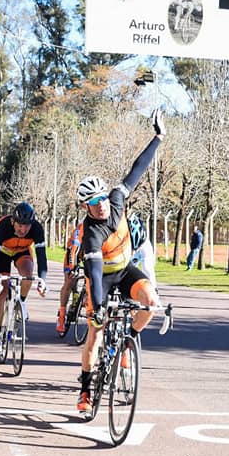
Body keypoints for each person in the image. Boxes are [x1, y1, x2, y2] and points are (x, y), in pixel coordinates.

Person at [76, 110, 164, 412]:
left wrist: (158, 138)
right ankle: (85, 391)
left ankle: (129, 342)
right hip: (102, 278)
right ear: (85, 207)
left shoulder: (116, 199)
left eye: (101, 200)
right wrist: (98, 308)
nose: (100, 207)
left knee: (150, 303)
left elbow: (137, 170)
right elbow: (95, 271)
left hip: (126, 270)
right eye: (92, 204)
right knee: (95, 332)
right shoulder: (91, 234)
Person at [0, 202, 47, 356]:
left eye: (27, 226)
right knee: (2, 291)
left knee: (28, 275)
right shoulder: (3, 228)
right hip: (3, 255)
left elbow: (41, 256)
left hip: (22, 252)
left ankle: (22, 302)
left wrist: (43, 280)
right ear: (13, 222)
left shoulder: (37, 229)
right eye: (20, 225)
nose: (23, 229)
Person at [56, 220, 84, 334]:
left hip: (88, 254)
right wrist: (72, 268)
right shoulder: (81, 228)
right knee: (69, 281)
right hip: (73, 252)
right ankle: (62, 316)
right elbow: (73, 251)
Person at [128, 213, 157, 289]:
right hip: (125, 248)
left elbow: (148, 270)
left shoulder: (145, 245)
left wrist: (152, 289)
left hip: (143, 248)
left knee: (147, 269)